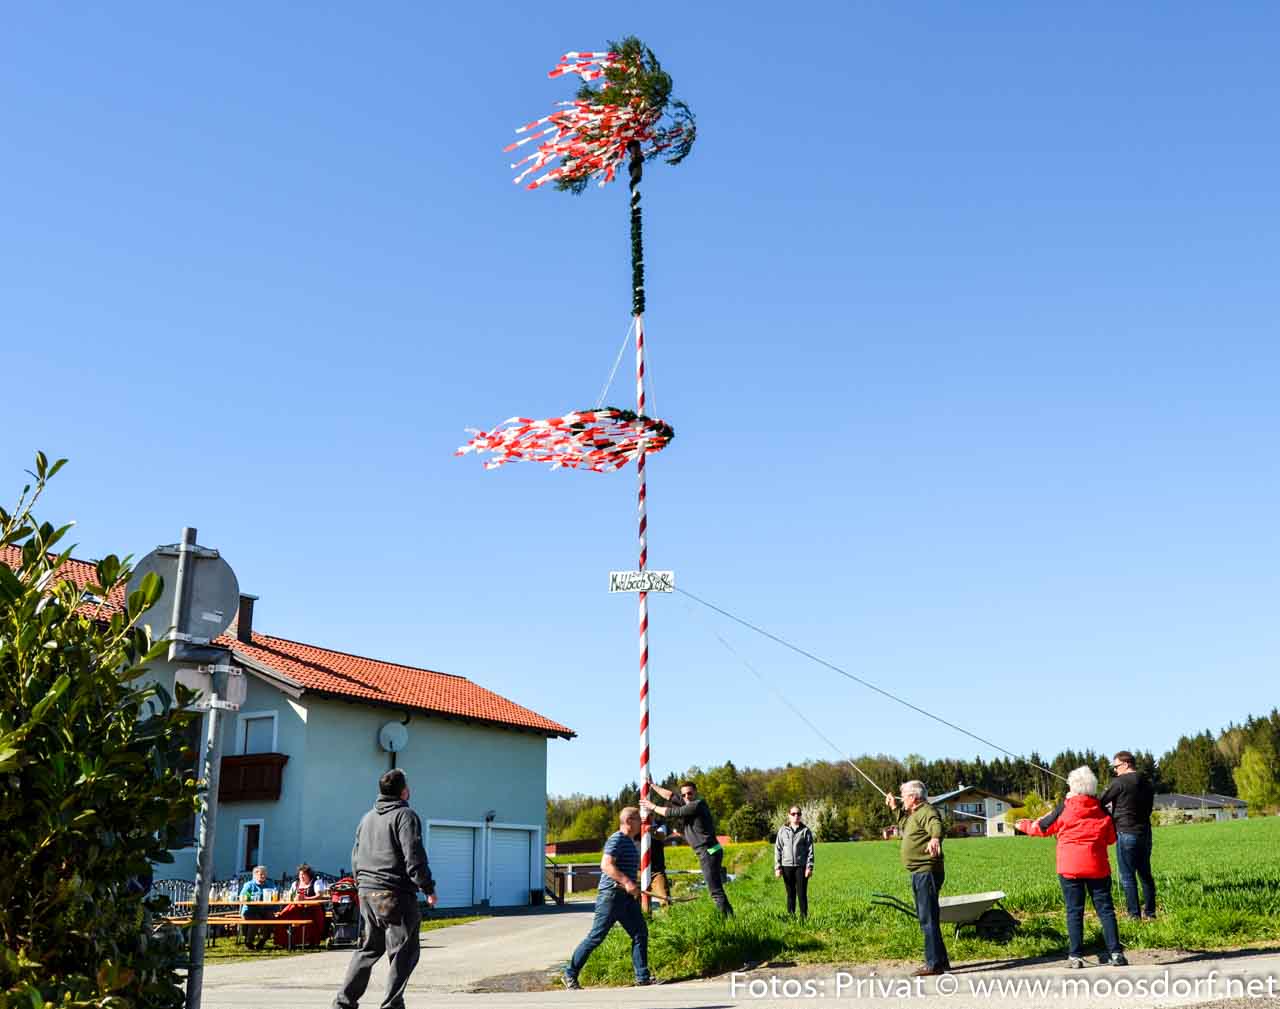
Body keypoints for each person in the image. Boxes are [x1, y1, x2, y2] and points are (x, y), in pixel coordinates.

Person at [333, 769, 438, 1009]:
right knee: (404, 951)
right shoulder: (405, 815)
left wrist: (360, 884)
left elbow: (355, 856)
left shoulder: (367, 818)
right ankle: (392, 1005)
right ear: (404, 790)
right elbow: (413, 855)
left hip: (367, 892)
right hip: (394, 893)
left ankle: (343, 1003)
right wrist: (427, 887)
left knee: (369, 948)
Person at [1018, 766, 1127, 968]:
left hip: (1070, 868)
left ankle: (1075, 956)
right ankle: (1116, 953)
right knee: (1106, 910)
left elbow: (1041, 828)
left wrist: (1022, 825)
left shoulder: (1064, 808)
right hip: (1098, 867)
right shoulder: (1102, 810)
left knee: (1074, 911)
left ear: (1073, 787)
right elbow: (1111, 838)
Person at [561, 807, 654, 989]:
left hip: (626, 898)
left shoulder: (628, 841)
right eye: (638, 820)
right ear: (628, 821)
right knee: (596, 937)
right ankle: (569, 973)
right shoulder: (617, 838)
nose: (641, 823)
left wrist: (630, 886)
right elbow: (606, 865)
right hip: (611, 896)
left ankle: (642, 977)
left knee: (640, 933)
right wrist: (627, 882)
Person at [885, 782, 949, 976]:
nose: (901, 798)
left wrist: (935, 838)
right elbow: (904, 825)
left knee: (927, 919)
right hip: (920, 872)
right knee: (930, 918)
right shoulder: (915, 815)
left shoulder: (927, 811)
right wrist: (895, 809)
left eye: (902, 795)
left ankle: (933, 964)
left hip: (925, 872)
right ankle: (941, 961)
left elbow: (936, 824)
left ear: (913, 797)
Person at [641, 781, 733, 916]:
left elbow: (672, 812)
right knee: (716, 889)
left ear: (696, 792)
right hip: (709, 850)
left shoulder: (697, 805)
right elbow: (670, 796)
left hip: (708, 851)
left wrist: (652, 806)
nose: (686, 796)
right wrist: (653, 786)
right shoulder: (687, 802)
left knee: (715, 891)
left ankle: (728, 920)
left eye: (690, 793)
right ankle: (729, 916)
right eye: (683, 794)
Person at [1098, 751, 1157, 921]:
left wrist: (1109, 816)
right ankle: (1151, 914)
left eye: (1116, 767)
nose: (1115, 770)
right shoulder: (1147, 782)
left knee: (1127, 876)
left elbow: (1100, 802)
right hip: (1145, 832)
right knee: (1145, 874)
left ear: (1125, 764)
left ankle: (1134, 915)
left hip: (1125, 832)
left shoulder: (1119, 782)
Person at [774, 806, 815, 918]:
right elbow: (778, 849)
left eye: (798, 814)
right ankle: (791, 917)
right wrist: (777, 867)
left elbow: (810, 850)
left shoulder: (805, 831)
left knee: (802, 894)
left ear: (800, 815)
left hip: (801, 867)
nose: (796, 816)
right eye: (793, 814)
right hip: (786, 866)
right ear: (789, 815)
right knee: (790, 894)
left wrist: (809, 867)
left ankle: (803, 918)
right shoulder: (782, 830)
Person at [275, 863, 329, 948]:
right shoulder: (295, 884)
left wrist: (305, 899)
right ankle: (285, 941)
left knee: (307, 918)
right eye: (300, 874)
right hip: (298, 908)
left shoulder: (316, 882)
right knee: (283, 915)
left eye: (304, 874)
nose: (301, 876)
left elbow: (319, 896)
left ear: (309, 875)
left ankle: (310, 941)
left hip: (312, 909)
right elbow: (290, 896)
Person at [238, 865, 274, 950]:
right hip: (250, 910)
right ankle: (249, 942)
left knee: (271, 918)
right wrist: (251, 897)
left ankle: (262, 941)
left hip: (264, 910)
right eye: (261, 874)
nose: (263, 876)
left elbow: (275, 892)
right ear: (255, 875)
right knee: (255, 920)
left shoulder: (269, 884)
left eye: (264, 874)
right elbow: (242, 897)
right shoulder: (249, 885)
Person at [647, 823, 670, 909]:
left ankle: (671, 920)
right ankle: (645, 920)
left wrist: (652, 832)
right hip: (638, 870)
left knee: (665, 900)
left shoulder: (661, 825)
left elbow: (661, 836)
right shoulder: (637, 823)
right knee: (638, 903)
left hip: (657, 871)